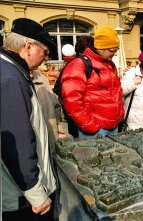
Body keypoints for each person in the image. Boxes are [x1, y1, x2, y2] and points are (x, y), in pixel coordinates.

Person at [1, 18, 58, 220]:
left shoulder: (11, 71)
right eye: (45, 52)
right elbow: (16, 142)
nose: (46, 58)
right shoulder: (10, 79)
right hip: (23, 198)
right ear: (28, 47)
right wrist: (36, 195)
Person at [60, 27, 124, 137]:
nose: (115, 54)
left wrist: (119, 116)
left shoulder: (109, 64)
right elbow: (72, 101)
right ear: (100, 48)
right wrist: (91, 125)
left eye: (116, 51)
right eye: (112, 51)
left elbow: (116, 92)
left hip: (114, 126)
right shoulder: (79, 65)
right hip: (95, 130)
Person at [31, 70, 69, 150]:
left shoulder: (40, 77)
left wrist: (59, 130)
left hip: (50, 140)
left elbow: (55, 105)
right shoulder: (12, 79)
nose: (46, 59)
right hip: (32, 145)